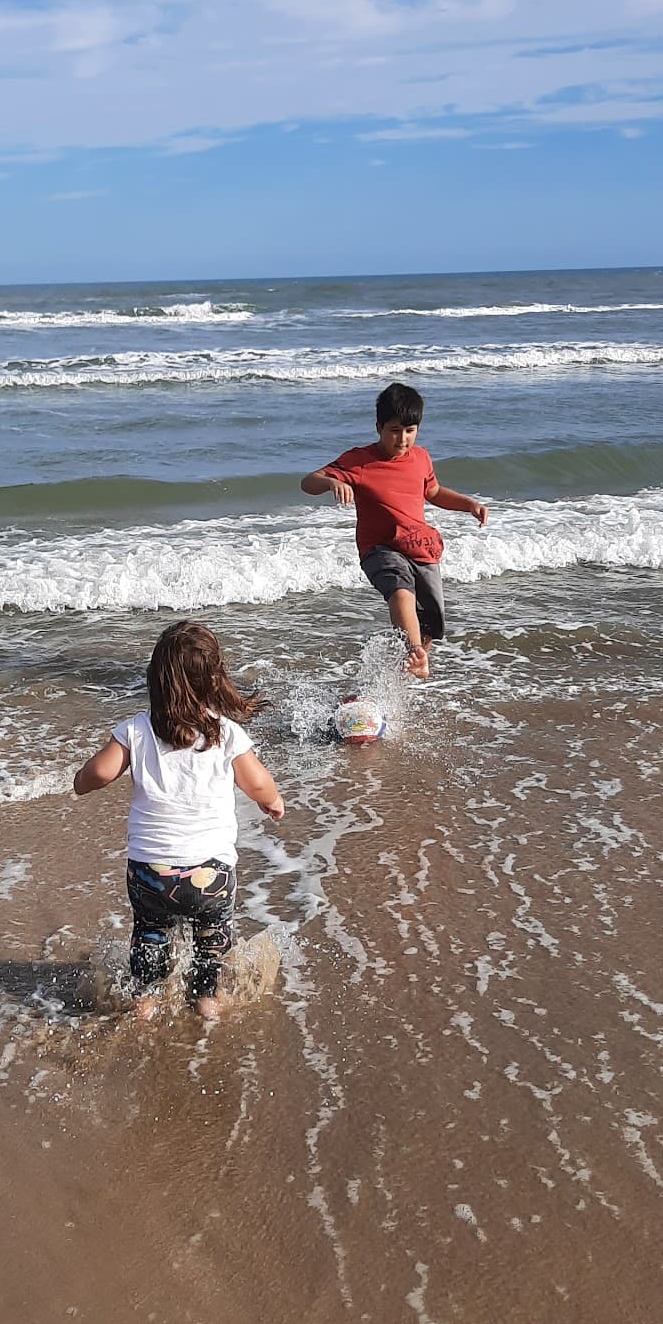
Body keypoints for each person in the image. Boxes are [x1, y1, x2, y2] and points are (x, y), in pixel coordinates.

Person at [72, 620, 284, 1023]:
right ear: (215, 679)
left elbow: (97, 774)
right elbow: (259, 784)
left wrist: (80, 782)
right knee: (211, 943)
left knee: (150, 936)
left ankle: (146, 1003)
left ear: (156, 679)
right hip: (212, 872)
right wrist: (272, 802)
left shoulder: (135, 731)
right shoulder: (227, 734)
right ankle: (206, 1003)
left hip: (151, 872)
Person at [301, 381, 489, 675]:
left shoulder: (421, 458)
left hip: (418, 546)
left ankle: (409, 673)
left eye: (410, 431)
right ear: (379, 427)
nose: (402, 439)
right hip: (379, 548)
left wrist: (468, 504)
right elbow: (308, 482)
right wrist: (333, 482)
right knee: (401, 592)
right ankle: (414, 653)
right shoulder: (359, 461)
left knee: (430, 622)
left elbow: (434, 492)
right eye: (394, 430)